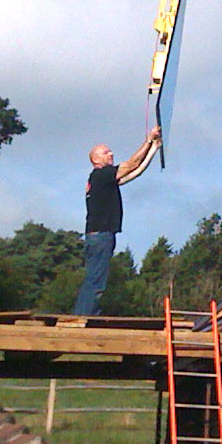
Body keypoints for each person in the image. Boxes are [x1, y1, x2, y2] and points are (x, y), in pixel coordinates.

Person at [72, 125, 161, 316]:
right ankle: (83, 317)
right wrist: (148, 140)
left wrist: (153, 149)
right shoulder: (101, 175)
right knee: (95, 281)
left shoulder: (102, 179)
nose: (111, 153)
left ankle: (85, 315)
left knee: (95, 279)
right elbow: (130, 164)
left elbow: (135, 172)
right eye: (106, 152)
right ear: (96, 159)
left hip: (100, 236)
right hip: (101, 236)